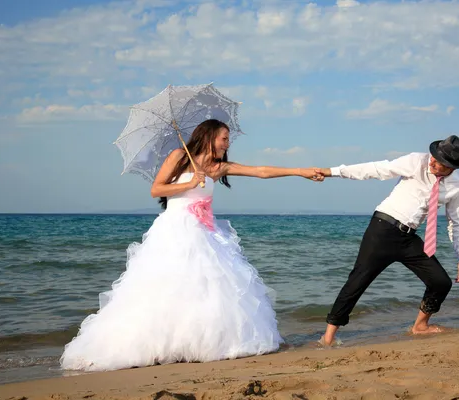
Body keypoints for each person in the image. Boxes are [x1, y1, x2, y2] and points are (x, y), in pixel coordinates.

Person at [60, 119, 323, 372]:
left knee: (209, 291)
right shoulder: (178, 156)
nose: (226, 144)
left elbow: (260, 171)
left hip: (205, 233)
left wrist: (300, 172)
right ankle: (152, 346)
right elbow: (157, 190)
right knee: (167, 288)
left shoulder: (219, 168)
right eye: (223, 138)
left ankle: (201, 344)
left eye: (227, 140)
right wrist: (189, 182)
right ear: (209, 137)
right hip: (175, 230)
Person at [314, 135, 459, 346]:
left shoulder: (457, 187)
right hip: (382, 229)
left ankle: (420, 326)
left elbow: (456, 223)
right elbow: (377, 169)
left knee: (441, 282)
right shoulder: (417, 161)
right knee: (358, 281)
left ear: (451, 166)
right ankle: (328, 337)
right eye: (433, 157)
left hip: (409, 238)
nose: (432, 162)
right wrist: (332, 172)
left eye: (439, 162)